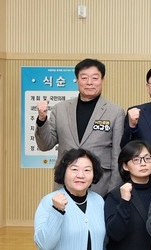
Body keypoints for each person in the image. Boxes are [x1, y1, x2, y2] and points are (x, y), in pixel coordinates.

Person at [35, 58, 124, 196]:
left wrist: (113, 193)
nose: (89, 82)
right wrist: (42, 119)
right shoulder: (60, 109)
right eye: (84, 78)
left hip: (100, 186)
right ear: (77, 80)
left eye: (95, 78)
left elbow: (118, 156)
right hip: (65, 185)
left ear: (102, 80)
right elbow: (45, 145)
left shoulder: (115, 112)